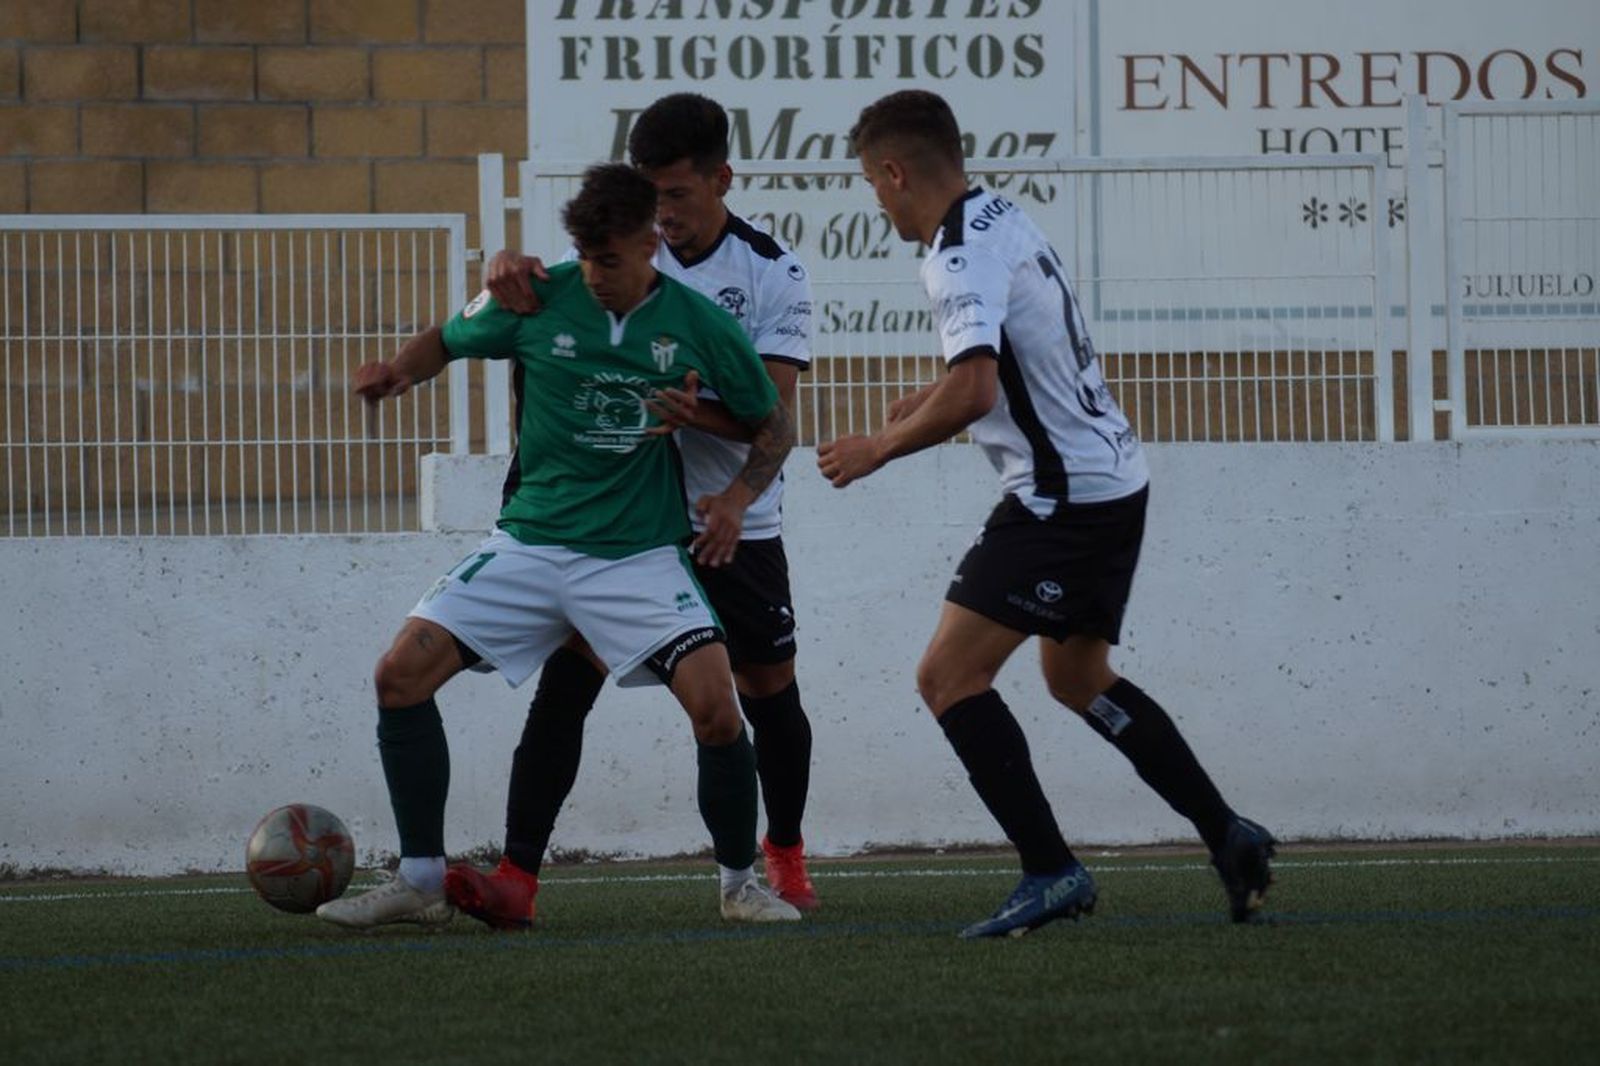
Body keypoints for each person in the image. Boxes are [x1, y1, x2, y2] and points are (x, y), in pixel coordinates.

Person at [818, 89, 1275, 938]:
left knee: (947, 679)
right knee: (1077, 679)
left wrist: (879, 448)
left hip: (1061, 505)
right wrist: (936, 393)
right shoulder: (997, 214)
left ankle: (1051, 870)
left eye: (872, 185)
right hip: (1111, 482)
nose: (876, 202)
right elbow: (1017, 354)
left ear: (893, 171)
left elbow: (978, 387)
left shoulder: (953, 254)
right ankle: (1228, 834)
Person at [316, 162, 801, 930]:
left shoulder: (698, 322)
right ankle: (420, 882)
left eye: (610, 260)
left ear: (649, 244)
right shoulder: (536, 297)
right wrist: (398, 376)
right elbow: (446, 339)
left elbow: (774, 424)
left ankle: (740, 884)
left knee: (718, 710)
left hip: (638, 554)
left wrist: (738, 500)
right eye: (587, 258)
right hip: (531, 543)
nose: (596, 276)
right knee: (398, 676)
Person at [446, 93, 821, 930]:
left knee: (763, 693)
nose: (664, 217)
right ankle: (518, 876)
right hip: (613, 528)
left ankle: (783, 854)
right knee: (567, 684)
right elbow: (531, 320)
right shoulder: (617, 256)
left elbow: (777, 415)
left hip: (731, 520)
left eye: (680, 196)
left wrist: (714, 453)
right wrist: (504, 269)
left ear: (722, 178)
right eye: (652, 199)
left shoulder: (770, 272)